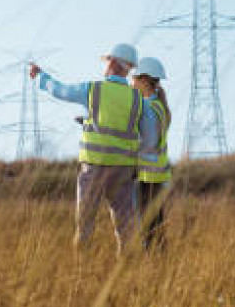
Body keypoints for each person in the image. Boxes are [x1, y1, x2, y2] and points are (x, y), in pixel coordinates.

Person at [28, 43, 159, 253]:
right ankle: (131, 273)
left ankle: (80, 272)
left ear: (113, 62)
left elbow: (61, 91)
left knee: (85, 224)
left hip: (94, 168)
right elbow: (151, 137)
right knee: (127, 227)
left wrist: (42, 77)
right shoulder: (138, 100)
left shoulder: (93, 89)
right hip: (123, 170)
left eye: (108, 60)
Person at [132, 57, 172, 250]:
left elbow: (148, 142)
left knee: (149, 226)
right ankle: (159, 264)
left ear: (144, 79)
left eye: (134, 78)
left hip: (149, 176)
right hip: (157, 174)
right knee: (155, 223)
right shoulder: (159, 105)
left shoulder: (149, 107)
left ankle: (155, 265)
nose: (132, 82)